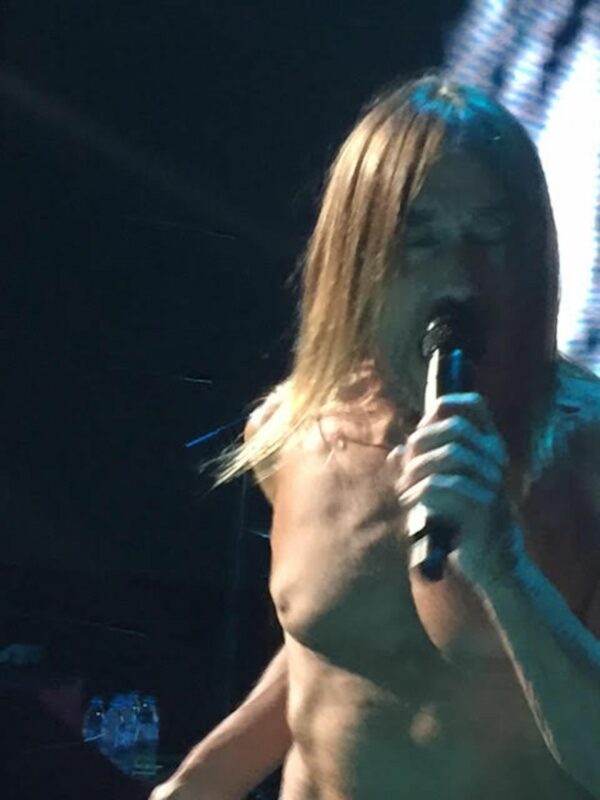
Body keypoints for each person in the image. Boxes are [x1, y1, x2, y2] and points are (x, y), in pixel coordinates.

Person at [151, 73, 600, 800]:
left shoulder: (588, 456)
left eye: (490, 236)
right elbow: (334, 650)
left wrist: (506, 570)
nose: (461, 274)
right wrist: (194, 784)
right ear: (358, 255)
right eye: (421, 238)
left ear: (532, 256)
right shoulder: (293, 433)